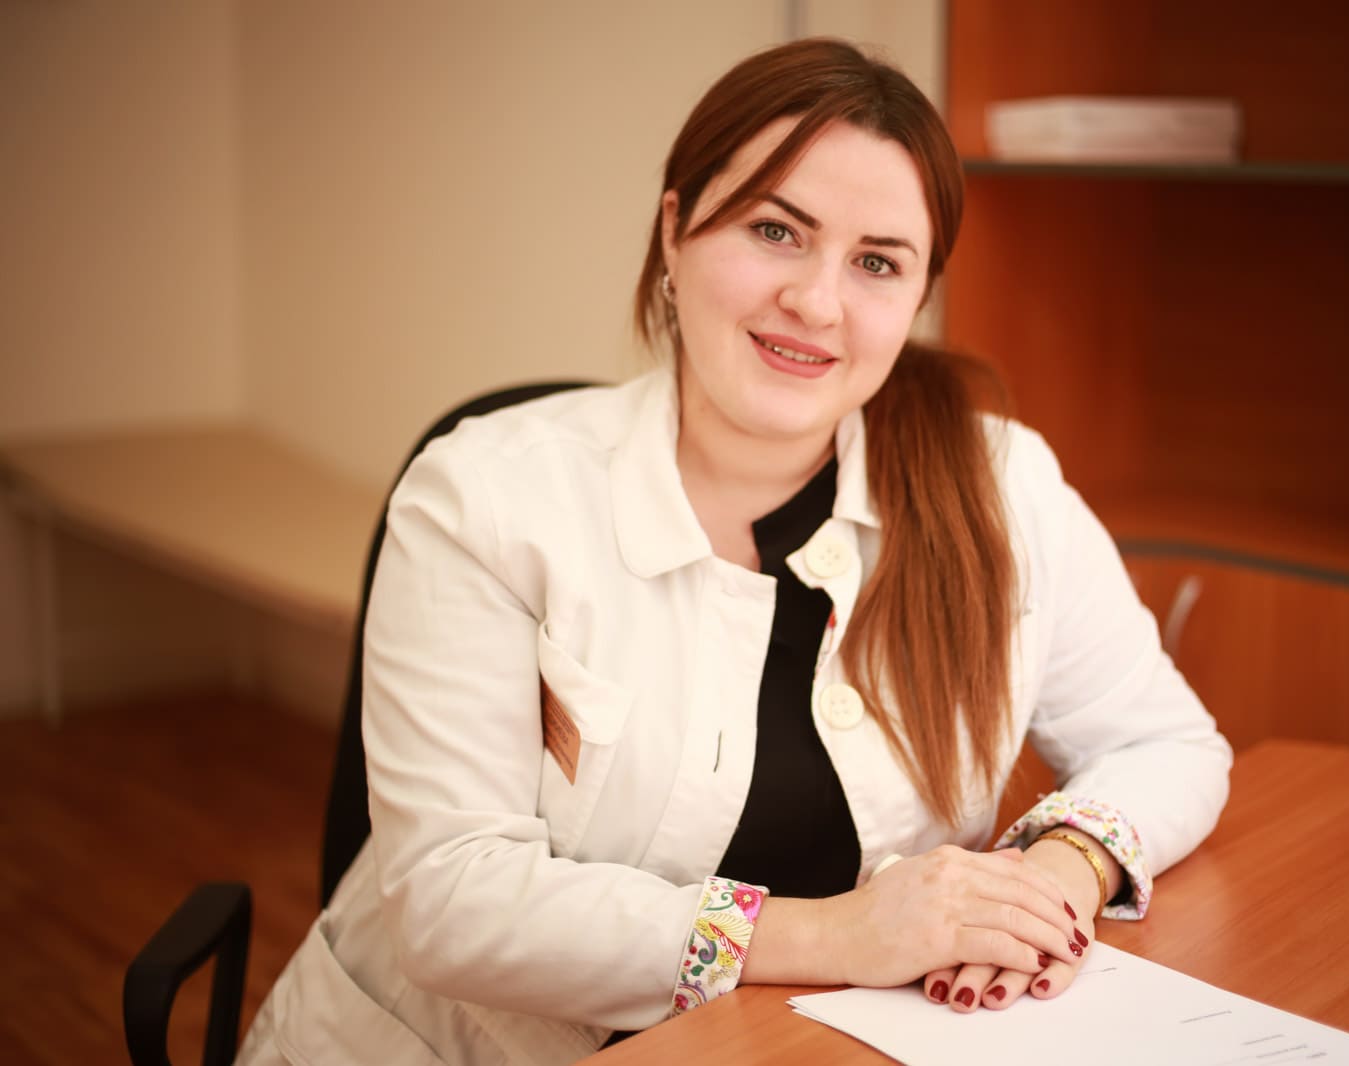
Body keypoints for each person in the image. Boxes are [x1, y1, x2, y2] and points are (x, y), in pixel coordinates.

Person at [238, 37, 1230, 1065]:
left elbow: (1168, 744)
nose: (817, 303)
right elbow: (453, 902)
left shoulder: (999, 483)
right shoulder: (484, 496)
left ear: (917, 298)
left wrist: (1058, 875)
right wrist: (837, 934)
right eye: (774, 230)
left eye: (877, 263)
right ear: (673, 231)